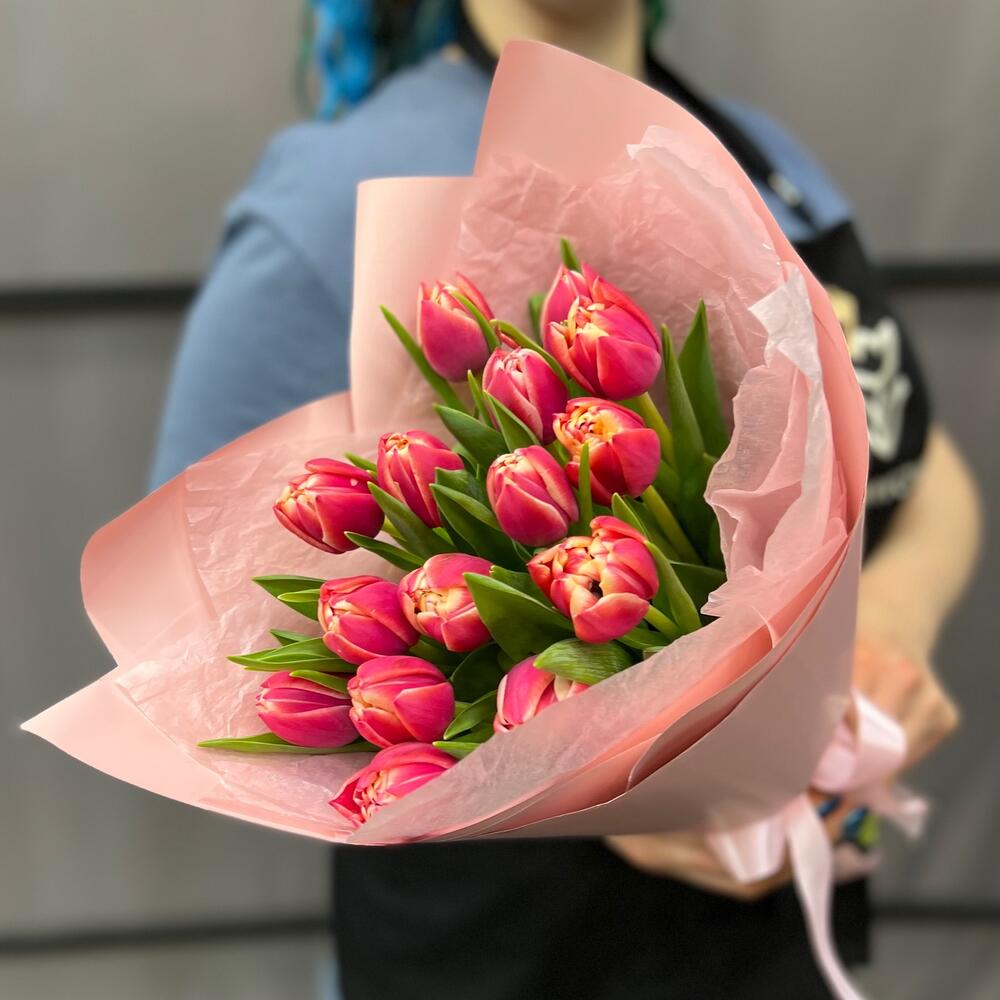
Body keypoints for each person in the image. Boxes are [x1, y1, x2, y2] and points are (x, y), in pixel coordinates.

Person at [151, 2, 981, 997]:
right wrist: (599, 776)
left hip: (777, 941)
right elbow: (193, 620)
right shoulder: (337, 194)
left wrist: (889, 625)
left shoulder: (772, 163)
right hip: (508, 954)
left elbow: (919, 471)